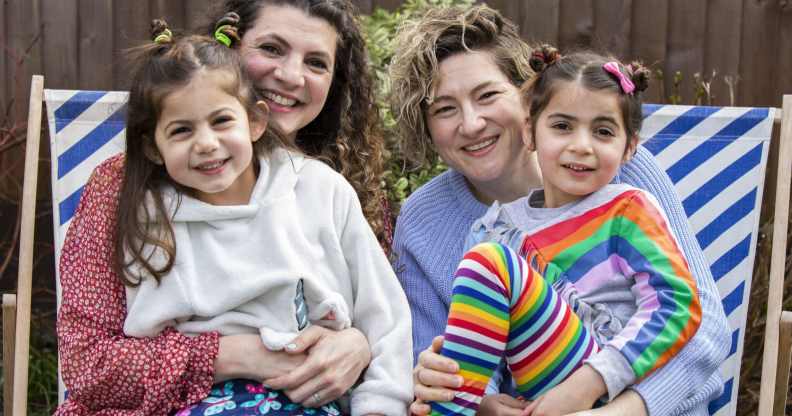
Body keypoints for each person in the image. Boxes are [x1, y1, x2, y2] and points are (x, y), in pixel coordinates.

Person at [389, 5, 730, 416]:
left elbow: (703, 326)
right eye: (444, 109)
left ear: (527, 100)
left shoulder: (621, 175)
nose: (472, 123)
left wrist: (613, 409)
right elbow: (436, 359)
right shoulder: (427, 220)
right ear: (425, 127)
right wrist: (474, 400)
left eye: (488, 95)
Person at [56, 1, 395, 414]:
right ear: (228, 47)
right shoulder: (127, 190)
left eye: (317, 63)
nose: (290, 76)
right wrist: (235, 355)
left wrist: (358, 344)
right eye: (271, 48)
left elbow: (386, 316)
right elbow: (88, 366)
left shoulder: (334, 188)